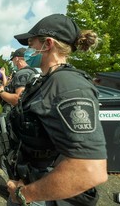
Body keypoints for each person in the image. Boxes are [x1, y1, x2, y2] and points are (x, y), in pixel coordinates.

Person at [6, 13, 108, 206]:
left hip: (44, 197)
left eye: (31, 43)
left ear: (48, 44)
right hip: (32, 182)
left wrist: (24, 194)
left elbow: (90, 169)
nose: (28, 49)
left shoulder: (68, 85)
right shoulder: (46, 81)